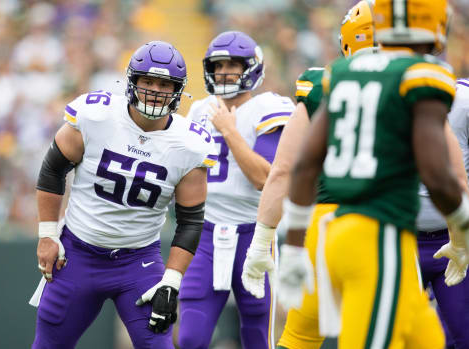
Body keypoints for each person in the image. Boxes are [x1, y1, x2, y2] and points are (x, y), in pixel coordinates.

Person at [242, 2, 469, 348]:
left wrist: (289, 246)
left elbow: (296, 168)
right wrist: (462, 232)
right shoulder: (420, 75)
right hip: (381, 236)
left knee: (426, 338)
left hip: (331, 233)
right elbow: (441, 174)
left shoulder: (337, 76)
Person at [30, 41, 217, 349]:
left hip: (138, 262)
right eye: (147, 81)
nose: (155, 90)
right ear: (132, 81)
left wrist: (172, 279)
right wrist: (48, 234)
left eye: (164, 84)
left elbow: (191, 220)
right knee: (48, 344)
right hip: (78, 255)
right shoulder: (96, 115)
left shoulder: (190, 144)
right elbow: (52, 170)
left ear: (178, 90)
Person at [177, 31, 294, 349]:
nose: (224, 71)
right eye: (218, 65)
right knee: (190, 338)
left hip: (253, 235)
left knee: (258, 337)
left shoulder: (269, 107)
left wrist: (230, 131)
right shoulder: (200, 110)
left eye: (232, 64)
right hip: (204, 235)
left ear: (252, 68)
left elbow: (265, 178)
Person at [417, 78, 469, 349]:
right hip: (402, 238)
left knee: (463, 335)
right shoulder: (387, 96)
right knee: (393, 334)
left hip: (456, 240)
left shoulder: (464, 101)